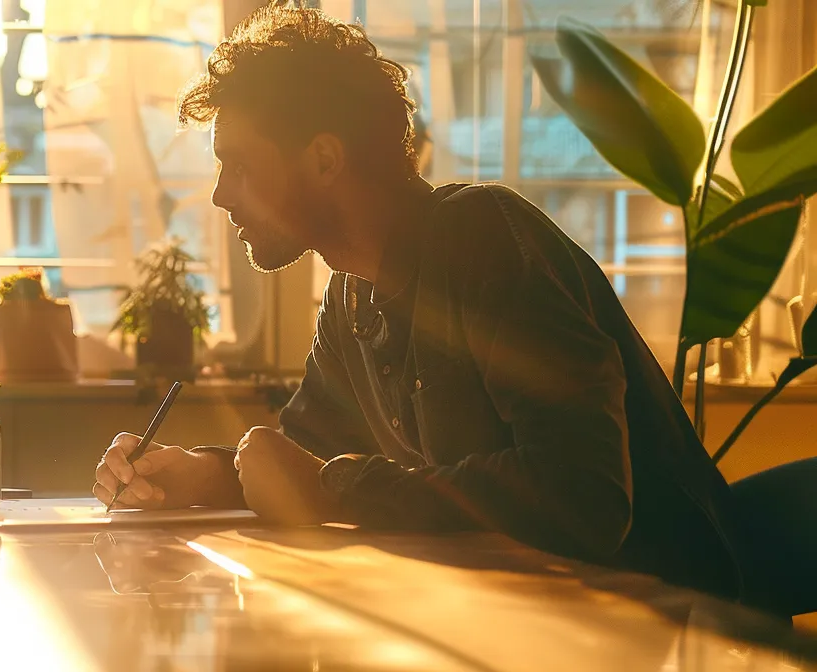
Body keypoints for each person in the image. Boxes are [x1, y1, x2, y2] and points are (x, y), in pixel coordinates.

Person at [89, 8, 741, 597]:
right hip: (525, 615)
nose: (221, 195)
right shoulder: (352, 292)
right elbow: (305, 460)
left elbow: (584, 495)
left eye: (240, 165)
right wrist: (206, 474)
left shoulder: (486, 239)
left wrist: (332, 488)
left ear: (323, 159)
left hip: (672, 626)